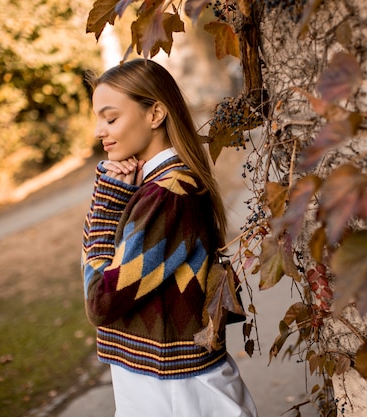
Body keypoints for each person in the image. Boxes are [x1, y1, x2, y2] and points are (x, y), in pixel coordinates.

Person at [81, 58, 257, 417]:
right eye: (98, 118)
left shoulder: (168, 195)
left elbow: (100, 301)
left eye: (111, 118)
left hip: (174, 392)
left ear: (155, 113)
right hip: (157, 380)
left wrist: (104, 208)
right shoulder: (160, 187)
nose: (100, 130)